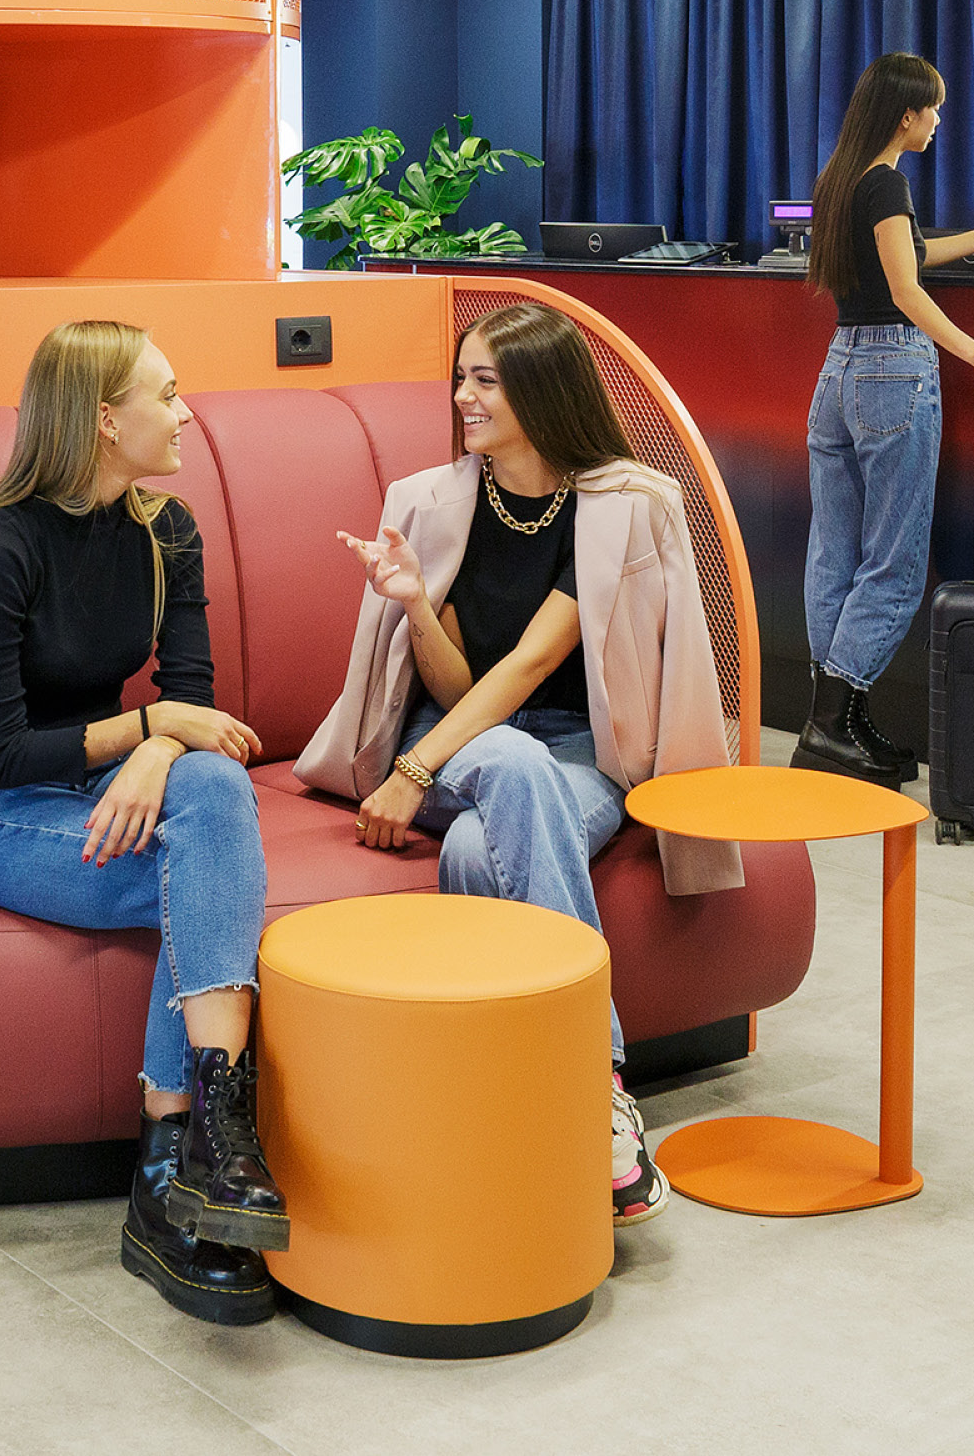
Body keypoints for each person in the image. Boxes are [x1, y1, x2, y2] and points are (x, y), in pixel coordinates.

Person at [300, 300, 742, 1232]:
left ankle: (513, 1091)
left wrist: (414, 774)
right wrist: (415, 606)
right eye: (460, 379)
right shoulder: (432, 501)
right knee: (504, 758)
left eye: (486, 381)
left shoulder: (624, 507)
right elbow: (460, 686)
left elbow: (535, 662)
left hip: (578, 751)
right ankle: (595, 1083)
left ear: (543, 391)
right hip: (466, 738)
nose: (464, 397)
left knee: (475, 848)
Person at [0, 320, 284, 1329]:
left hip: (111, 778)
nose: (185, 413)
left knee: (216, 796)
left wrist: (161, 745)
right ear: (103, 420)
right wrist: (152, 728)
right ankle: (187, 1167)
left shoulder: (169, 531)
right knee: (207, 876)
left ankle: (192, 1146)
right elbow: (4, 752)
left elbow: (192, 701)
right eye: (166, 395)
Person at [799, 53, 974, 787]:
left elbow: (901, 256)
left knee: (834, 553)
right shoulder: (888, 181)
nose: (938, 120)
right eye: (932, 108)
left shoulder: (844, 179)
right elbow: (906, 290)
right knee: (894, 561)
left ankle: (833, 718)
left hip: (839, 370)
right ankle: (833, 721)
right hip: (890, 373)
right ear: (906, 114)